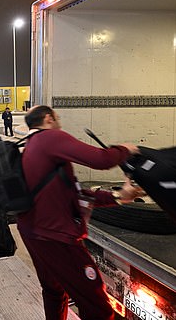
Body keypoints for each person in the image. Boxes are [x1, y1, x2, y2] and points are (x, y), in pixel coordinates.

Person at [18, 105, 143, 320]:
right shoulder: (50, 138)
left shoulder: (30, 146)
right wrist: (125, 149)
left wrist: (119, 196)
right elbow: (101, 160)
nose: (59, 122)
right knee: (96, 305)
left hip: (33, 232)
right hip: (55, 236)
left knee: (54, 291)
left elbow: (74, 195)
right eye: (57, 118)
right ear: (48, 118)